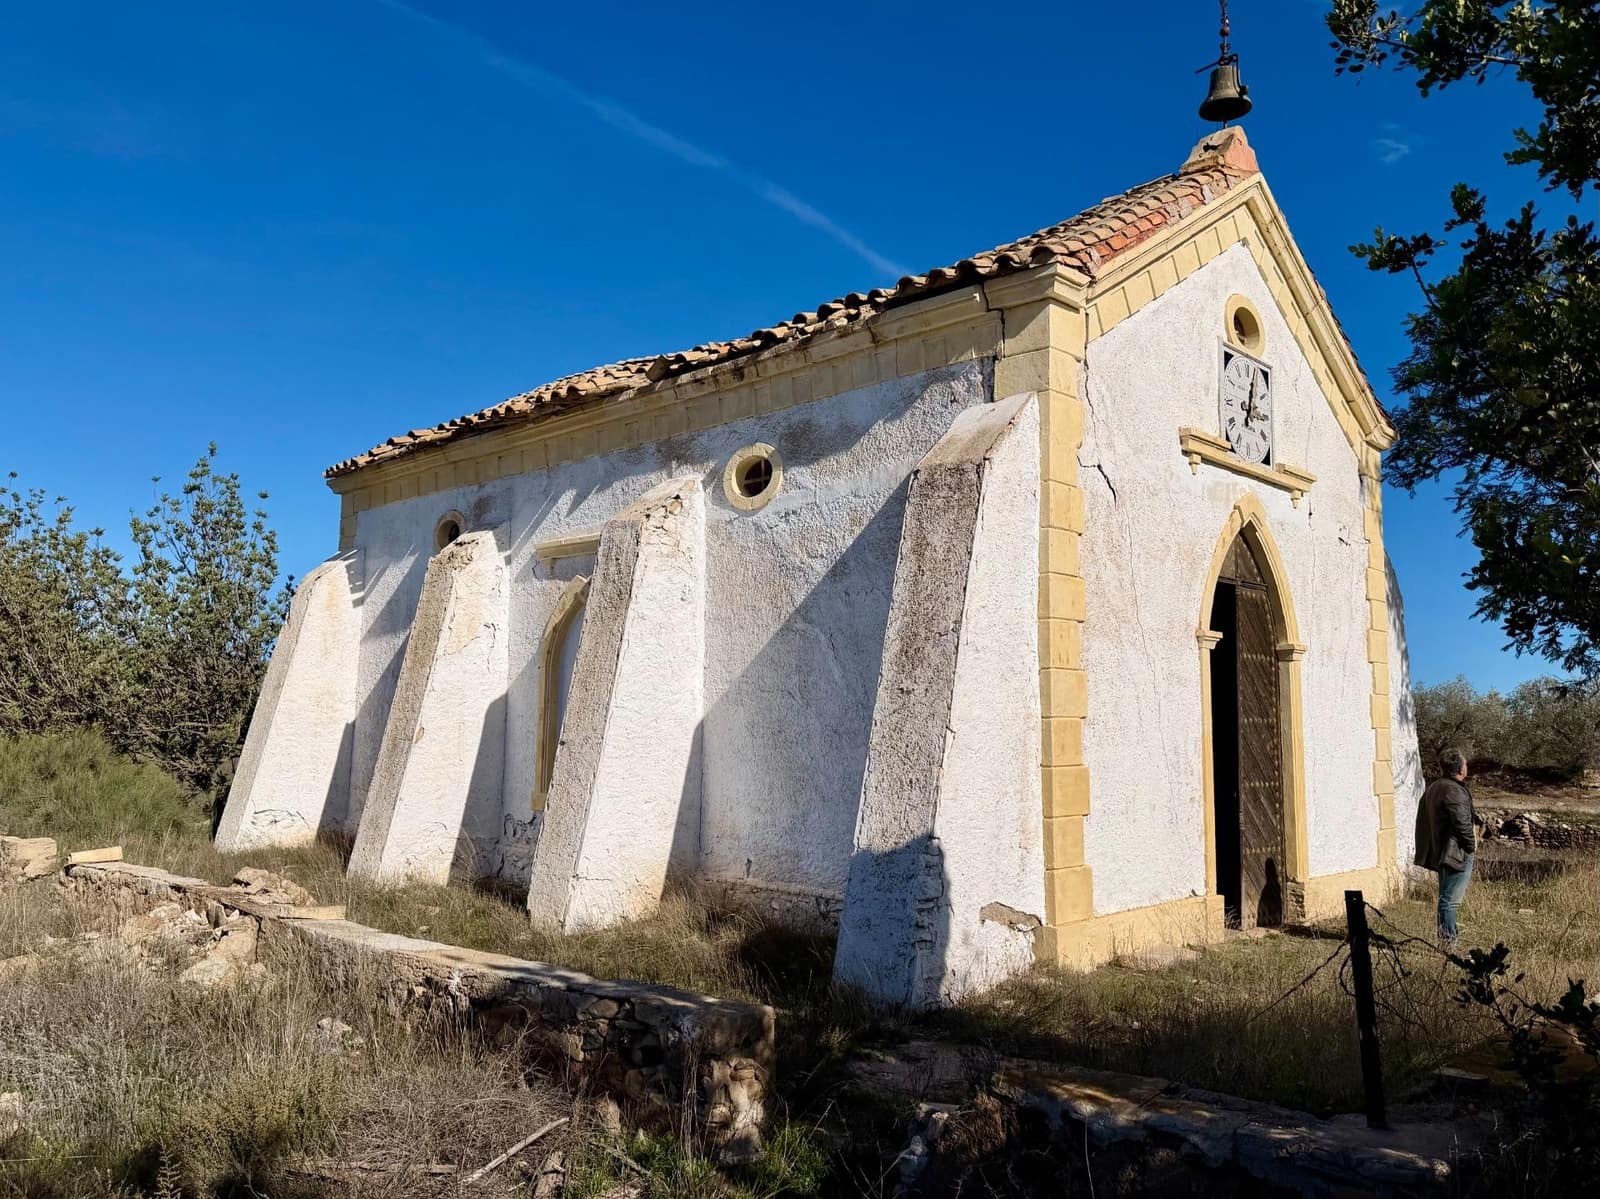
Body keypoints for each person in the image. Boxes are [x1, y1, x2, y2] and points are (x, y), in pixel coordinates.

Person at [1413, 747, 1476, 945]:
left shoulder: (1435, 787)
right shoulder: (1453, 790)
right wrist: (1471, 846)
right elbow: (1461, 822)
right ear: (1460, 769)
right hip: (1455, 854)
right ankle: (1448, 944)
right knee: (1449, 901)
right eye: (1465, 764)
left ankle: (1449, 939)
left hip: (1442, 852)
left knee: (1446, 898)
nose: (1467, 766)